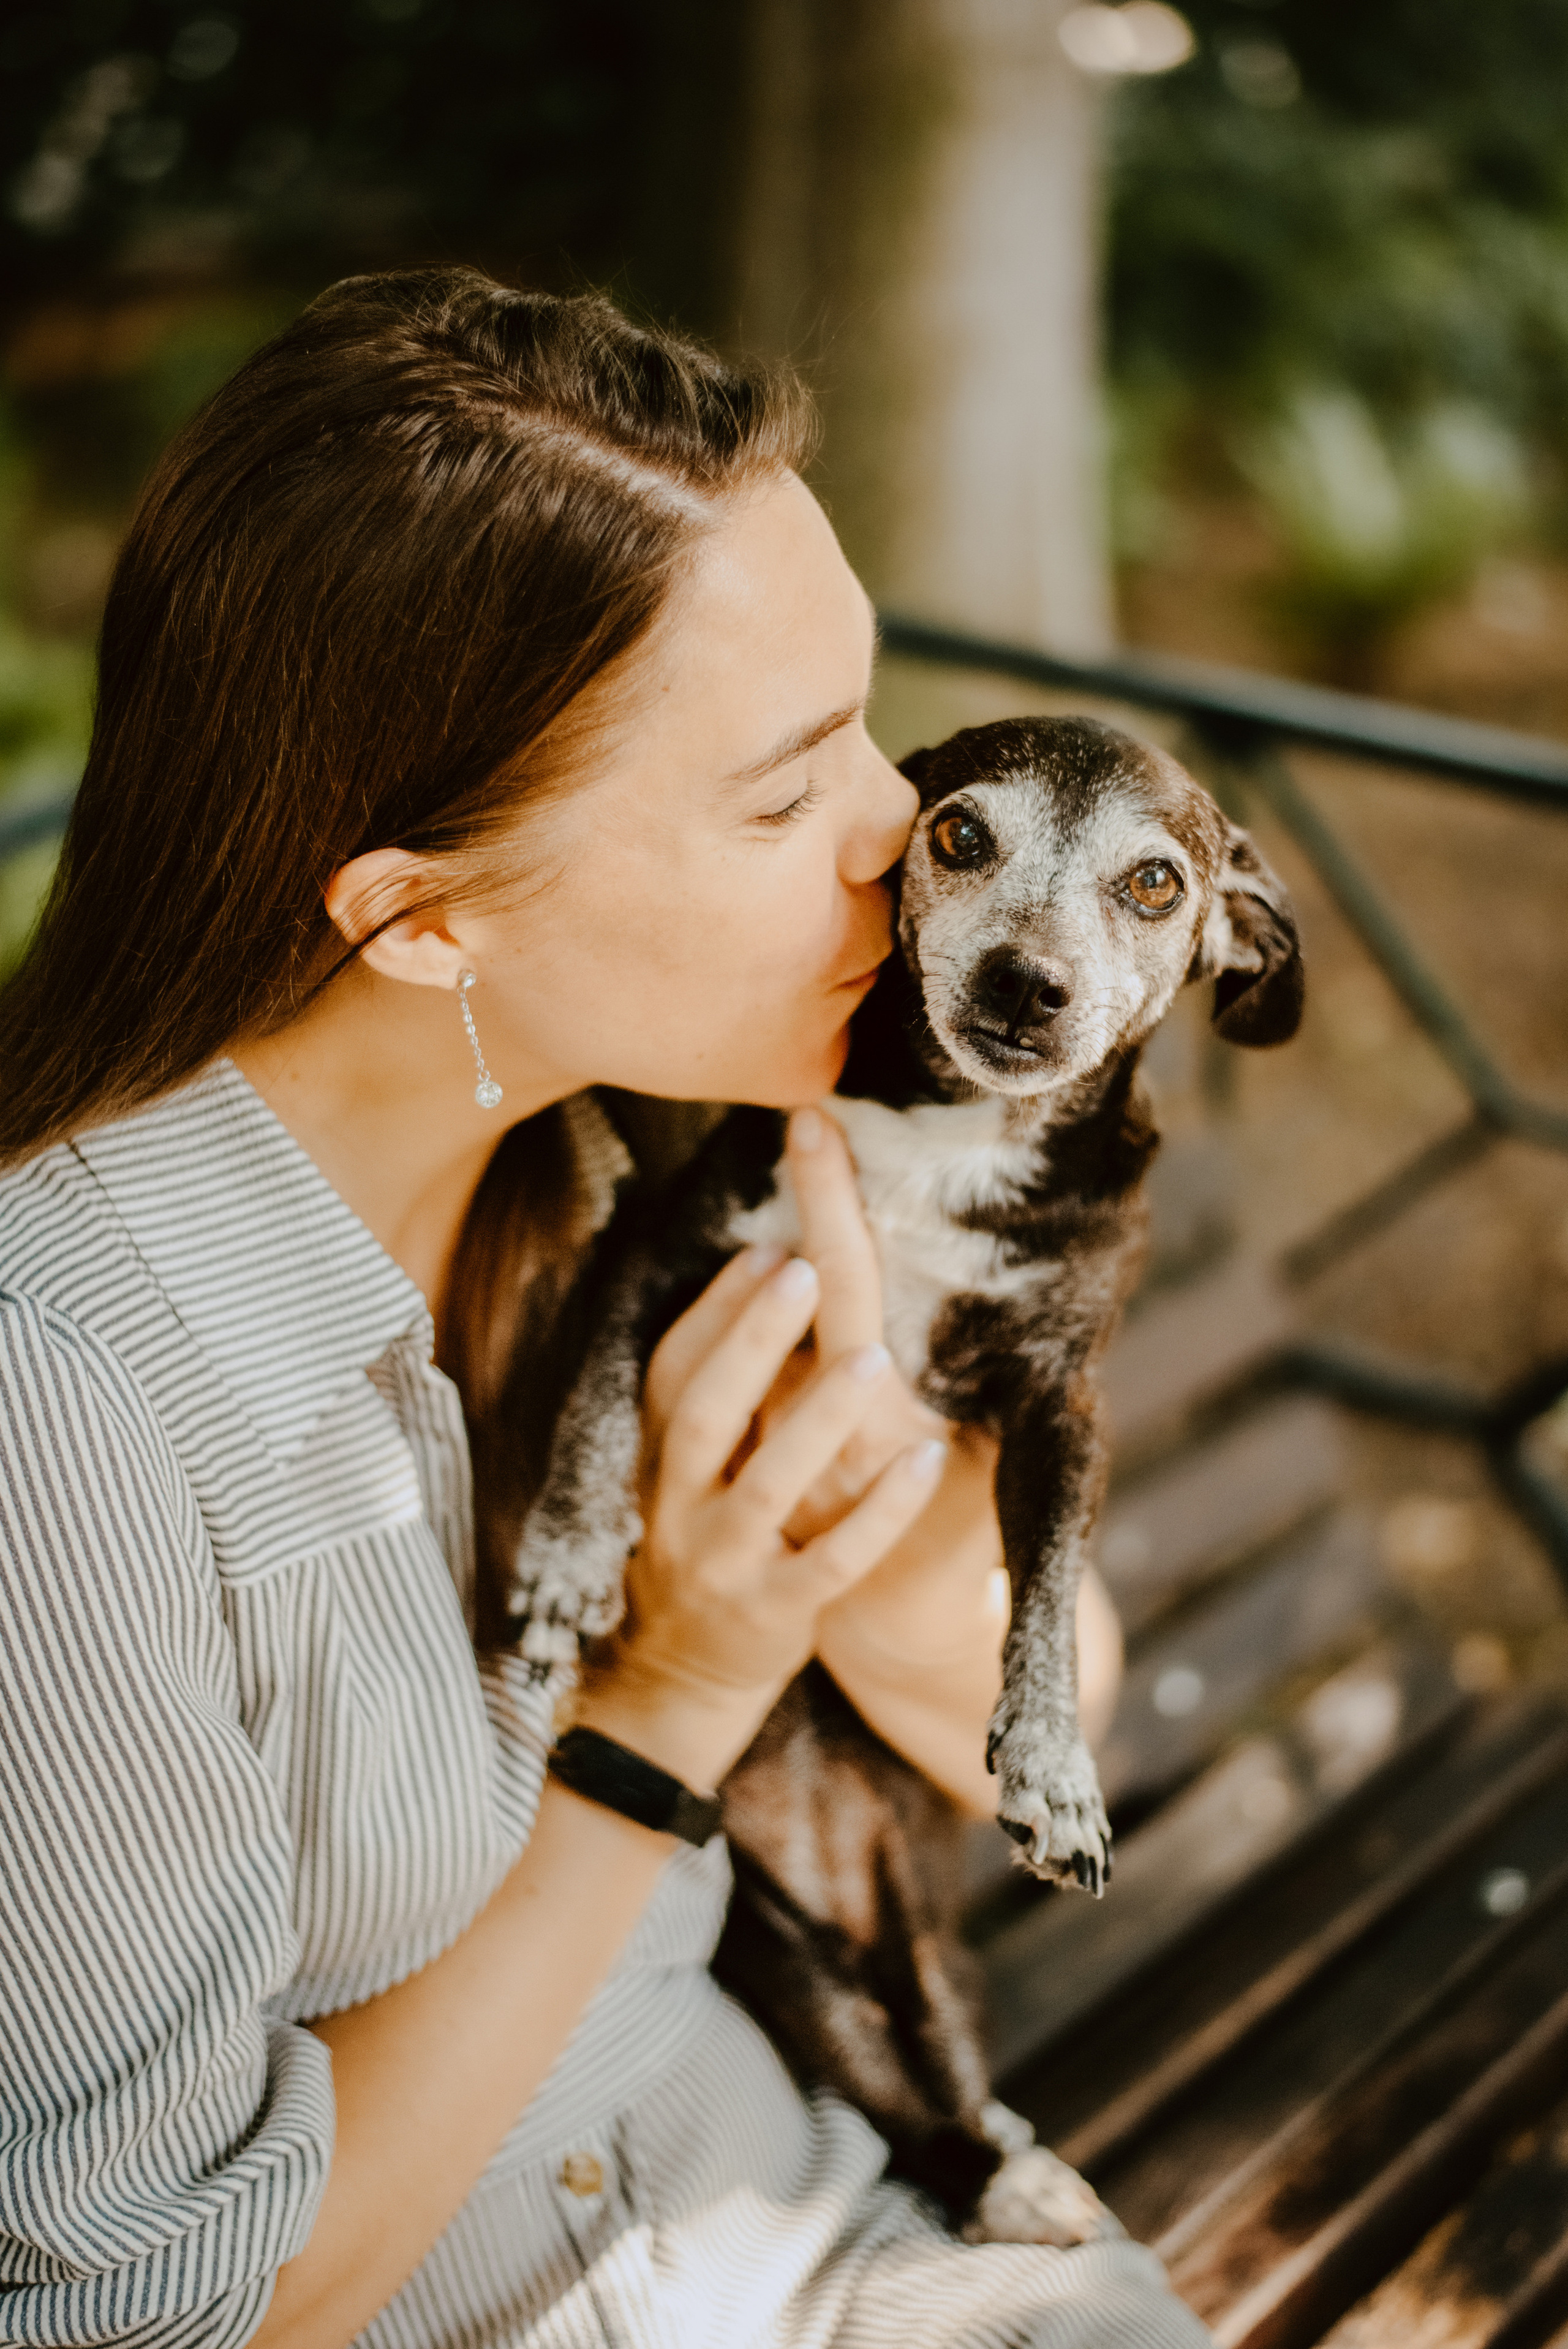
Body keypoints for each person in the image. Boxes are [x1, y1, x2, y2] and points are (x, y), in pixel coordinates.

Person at [0, 268, 1210, 2349]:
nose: (895, 833)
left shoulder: (661, 1149)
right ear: (428, 914)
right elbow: (161, 2314)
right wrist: (666, 1696)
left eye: (866, 722)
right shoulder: (69, 1400)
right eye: (781, 789)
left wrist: (846, 1491)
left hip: (838, 2245)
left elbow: (1054, 1701)